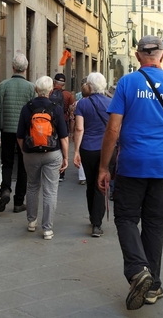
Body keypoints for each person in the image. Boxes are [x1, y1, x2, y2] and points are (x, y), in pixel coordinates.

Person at [97, 35, 163, 310]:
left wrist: (104, 167)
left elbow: (113, 129)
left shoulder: (127, 83)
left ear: (138, 56)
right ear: (162, 56)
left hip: (132, 165)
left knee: (126, 218)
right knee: (155, 224)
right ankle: (154, 286)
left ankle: (139, 270)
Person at [16, 76, 69, 241]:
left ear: (35, 90)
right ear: (51, 91)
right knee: (50, 190)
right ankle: (47, 229)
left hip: (30, 153)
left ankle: (32, 222)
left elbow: (19, 135)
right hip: (52, 154)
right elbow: (64, 137)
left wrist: (24, 151)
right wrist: (66, 157)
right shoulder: (56, 108)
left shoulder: (27, 108)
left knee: (32, 186)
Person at [0, 53, 36, 213]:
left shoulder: (3, 85)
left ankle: (5, 190)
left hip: (7, 130)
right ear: (26, 68)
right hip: (24, 132)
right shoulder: (31, 88)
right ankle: (18, 202)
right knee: (24, 166)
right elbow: (34, 113)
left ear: (12, 67)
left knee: (7, 162)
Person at [73, 72, 112, 238]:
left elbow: (79, 129)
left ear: (89, 86)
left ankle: (93, 216)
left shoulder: (82, 104)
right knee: (101, 184)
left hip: (88, 149)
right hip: (107, 149)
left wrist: (76, 151)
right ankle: (97, 223)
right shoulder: (112, 103)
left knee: (91, 183)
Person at [50, 73, 75, 181]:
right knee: (61, 146)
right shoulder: (68, 95)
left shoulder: (49, 92)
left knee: (50, 144)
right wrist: (71, 128)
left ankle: (50, 170)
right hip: (63, 121)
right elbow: (72, 111)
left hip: (49, 122)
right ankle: (61, 173)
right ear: (64, 83)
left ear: (54, 82)